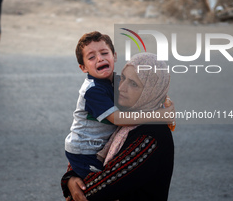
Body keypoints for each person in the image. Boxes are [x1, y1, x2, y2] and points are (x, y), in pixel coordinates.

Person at [61, 52, 175, 201]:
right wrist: (70, 178)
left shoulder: (151, 136)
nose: (122, 88)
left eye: (134, 84)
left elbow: (102, 186)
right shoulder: (122, 115)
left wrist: (73, 184)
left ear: (150, 91)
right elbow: (84, 144)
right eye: (123, 78)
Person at [64, 31, 119, 179]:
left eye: (104, 53)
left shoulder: (116, 81)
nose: (100, 59)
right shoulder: (93, 90)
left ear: (114, 56)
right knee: (98, 187)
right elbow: (119, 119)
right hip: (85, 150)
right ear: (83, 68)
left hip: (98, 146)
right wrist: (154, 115)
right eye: (91, 57)